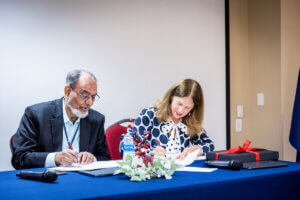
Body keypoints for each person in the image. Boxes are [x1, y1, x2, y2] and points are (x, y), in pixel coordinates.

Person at [12, 69, 110, 169]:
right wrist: (55, 158)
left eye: (93, 97)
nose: (89, 102)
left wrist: (92, 158)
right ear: (67, 91)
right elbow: (20, 158)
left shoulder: (96, 120)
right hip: (48, 180)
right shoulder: (36, 115)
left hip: (83, 180)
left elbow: (105, 158)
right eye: (84, 95)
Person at [127, 79, 214, 159]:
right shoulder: (150, 115)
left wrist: (198, 149)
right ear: (171, 97)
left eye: (187, 107)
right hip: (153, 172)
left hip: (181, 172)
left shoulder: (188, 121)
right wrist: (148, 151)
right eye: (179, 104)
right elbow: (126, 146)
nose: (181, 111)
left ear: (193, 108)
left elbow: (209, 144)